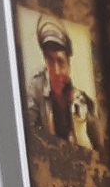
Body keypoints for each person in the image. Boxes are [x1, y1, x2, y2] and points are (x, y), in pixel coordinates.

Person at [23, 15, 96, 148]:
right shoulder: (36, 87)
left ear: (69, 63)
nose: (56, 71)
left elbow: (98, 145)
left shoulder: (82, 99)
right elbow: (29, 132)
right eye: (50, 61)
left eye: (61, 62)